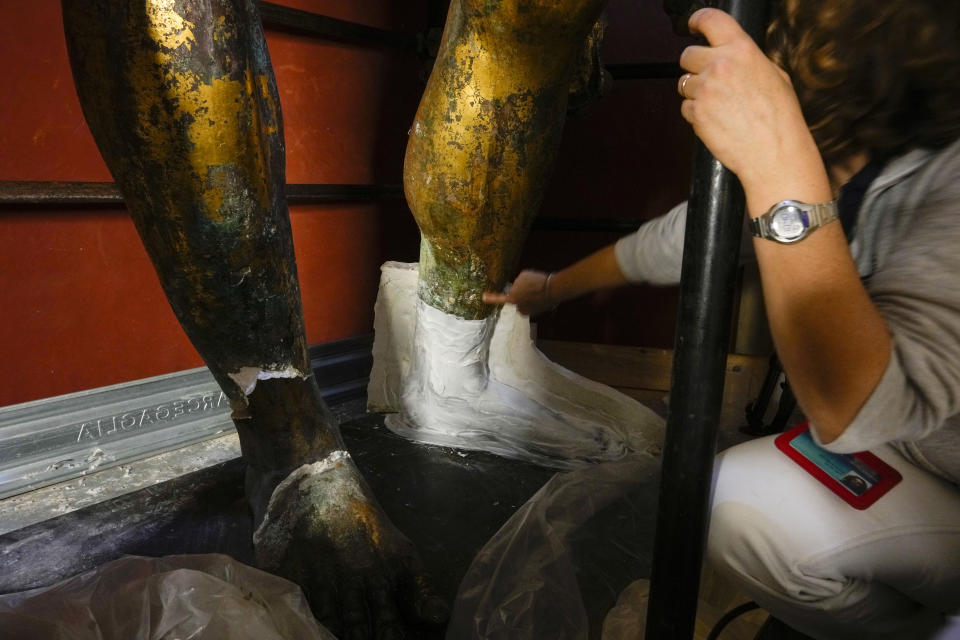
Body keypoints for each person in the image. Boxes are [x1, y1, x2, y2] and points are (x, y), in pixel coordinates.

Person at [485, 1, 960, 637]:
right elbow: (678, 240)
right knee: (740, 503)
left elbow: (859, 405)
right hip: (906, 458)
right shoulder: (849, 158)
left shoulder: (945, 177)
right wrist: (550, 289)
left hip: (912, 447)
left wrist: (774, 155)